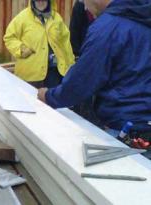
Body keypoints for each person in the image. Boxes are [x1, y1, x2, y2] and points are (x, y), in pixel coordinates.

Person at [38, 0, 151, 158]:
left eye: (85, 1)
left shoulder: (109, 27)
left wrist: (48, 96)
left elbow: (80, 84)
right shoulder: (142, 15)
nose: (84, 7)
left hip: (128, 131)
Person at [3, 0, 75, 88]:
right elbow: (9, 38)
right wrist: (21, 49)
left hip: (55, 73)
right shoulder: (22, 18)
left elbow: (65, 43)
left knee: (51, 101)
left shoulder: (57, 18)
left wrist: (71, 65)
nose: (40, 2)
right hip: (30, 74)